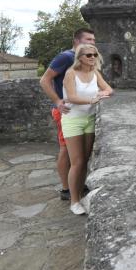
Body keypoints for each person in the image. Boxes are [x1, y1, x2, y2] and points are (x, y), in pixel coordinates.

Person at [40, 27, 96, 201]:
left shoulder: (85, 59)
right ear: (77, 41)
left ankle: (77, 185)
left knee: (77, 153)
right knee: (65, 150)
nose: (92, 43)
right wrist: (57, 102)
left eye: (93, 40)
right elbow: (45, 79)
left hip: (81, 113)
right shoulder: (66, 57)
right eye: (88, 39)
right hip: (66, 112)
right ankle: (66, 189)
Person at [62, 44, 113, 215]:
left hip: (89, 119)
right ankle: (74, 201)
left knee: (85, 160)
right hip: (73, 120)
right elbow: (71, 97)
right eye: (88, 55)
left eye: (95, 55)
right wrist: (92, 100)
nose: (92, 58)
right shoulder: (71, 74)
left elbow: (108, 89)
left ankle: (81, 193)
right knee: (76, 162)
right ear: (80, 58)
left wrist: (101, 94)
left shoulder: (94, 73)